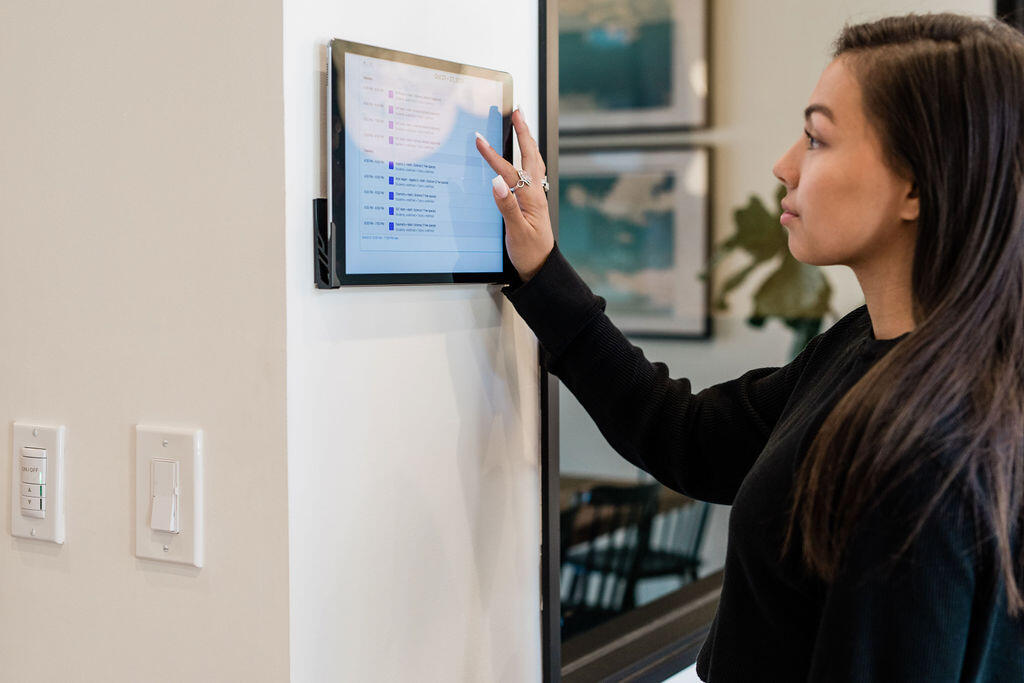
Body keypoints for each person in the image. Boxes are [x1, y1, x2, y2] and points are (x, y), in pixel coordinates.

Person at [476, 12, 1024, 682]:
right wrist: (543, 271)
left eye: (817, 139)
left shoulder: (920, 450)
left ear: (916, 184)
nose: (784, 165)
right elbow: (691, 437)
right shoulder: (872, 347)